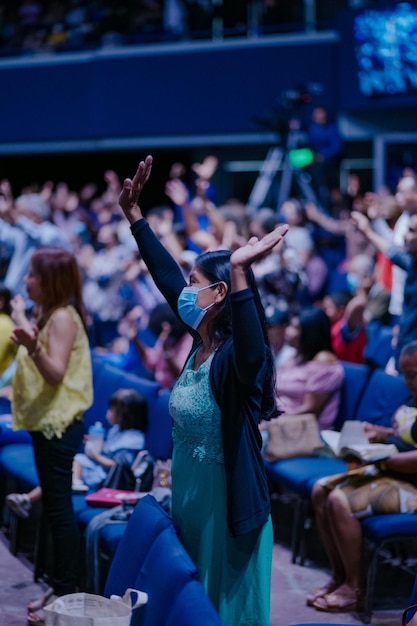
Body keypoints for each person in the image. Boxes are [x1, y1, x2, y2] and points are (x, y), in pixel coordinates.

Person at [117, 154, 288, 626]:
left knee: (217, 611)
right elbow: (166, 277)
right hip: (190, 497)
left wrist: (238, 271)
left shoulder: (235, 358)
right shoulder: (201, 342)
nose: (185, 293)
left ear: (217, 294)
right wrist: (135, 217)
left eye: (196, 284)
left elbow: (255, 351)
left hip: (226, 506)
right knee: (187, 604)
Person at [9, 246, 93, 625]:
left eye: (32, 275)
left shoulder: (61, 318)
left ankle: (67, 594)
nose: (26, 281)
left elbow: (56, 372)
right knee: (55, 511)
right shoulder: (50, 314)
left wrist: (30, 345)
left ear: (50, 281)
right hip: (49, 425)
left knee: (59, 514)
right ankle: (60, 588)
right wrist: (22, 318)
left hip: (60, 428)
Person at [307, 340, 417, 614]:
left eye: (414, 374)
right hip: (390, 471)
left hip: (412, 485)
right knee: (320, 491)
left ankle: (354, 589)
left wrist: (381, 457)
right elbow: (407, 436)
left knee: (339, 502)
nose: (409, 381)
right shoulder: (412, 396)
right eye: (405, 374)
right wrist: (380, 434)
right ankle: (339, 576)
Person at [6, 387, 148, 518]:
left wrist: (95, 455)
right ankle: (36, 496)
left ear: (126, 415)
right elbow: (110, 448)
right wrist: (98, 443)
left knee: (60, 476)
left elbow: (119, 466)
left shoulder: (134, 439)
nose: (108, 413)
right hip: (94, 469)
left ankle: (28, 499)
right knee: (61, 473)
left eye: (112, 410)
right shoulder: (117, 430)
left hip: (105, 479)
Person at [351, 209, 417, 372]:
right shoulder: (412, 263)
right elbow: (394, 253)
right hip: (404, 348)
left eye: (412, 231)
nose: (404, 236)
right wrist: (367, 231)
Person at [275, 307, 345, 430]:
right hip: (281, 425)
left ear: (310, 333)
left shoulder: (324, 363)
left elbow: (310, 410)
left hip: (303, 432)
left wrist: (272, 423)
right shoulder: (296, 356)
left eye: (295, 327)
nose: (288, 331)